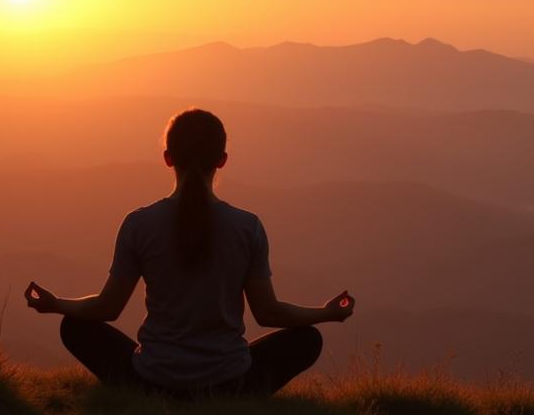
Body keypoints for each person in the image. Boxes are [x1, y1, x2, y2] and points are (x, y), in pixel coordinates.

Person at [25, 108, 355, 397]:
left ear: (168, 157)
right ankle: (230, 403)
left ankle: (147, 397)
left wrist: (55, 304)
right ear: (222, 159)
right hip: (228, 383)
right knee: (307, 340)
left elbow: (107, 308)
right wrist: (326, 313)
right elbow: (267, 313)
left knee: (75, 326)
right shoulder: (247, 227)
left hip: (152, 381)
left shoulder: (139, 224)